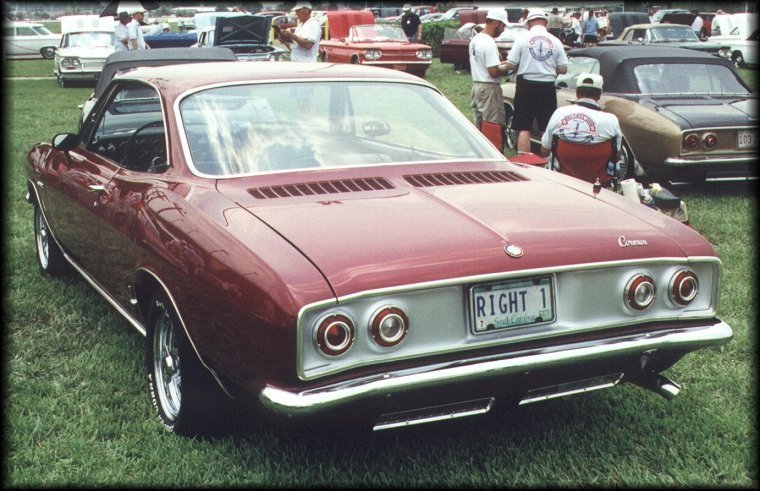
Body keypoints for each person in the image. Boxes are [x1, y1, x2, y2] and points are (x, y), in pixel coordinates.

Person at [502, 9, 568, 154]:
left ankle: (524, 162)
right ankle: (547, 162)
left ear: (530, 22)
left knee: (524, 127)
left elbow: (511, 64)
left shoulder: (522, 39)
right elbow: (563, 69)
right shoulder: (556, 41)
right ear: (546, 22)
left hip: (526, 85)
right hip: (547, 86)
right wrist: (549, 68)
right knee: (546, 127)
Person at [540, 73, 622, 157]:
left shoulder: (559, 113)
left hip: (561, 169)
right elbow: (616, 157)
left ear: (576, 92)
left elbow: (545, 151)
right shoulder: (611, 120)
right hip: (596, 169)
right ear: (600, 94)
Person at [468, 8, 510, 145]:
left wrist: (501, 64)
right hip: (489, 87)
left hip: (477, 86)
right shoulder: (489, 42)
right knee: (493, 126)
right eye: (503, 25)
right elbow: (493, 71)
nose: (503, 29)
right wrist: (509, 68)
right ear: (497, 23)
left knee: (479, 125)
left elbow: (483, 63)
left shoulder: (476, 39)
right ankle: (495, 157)